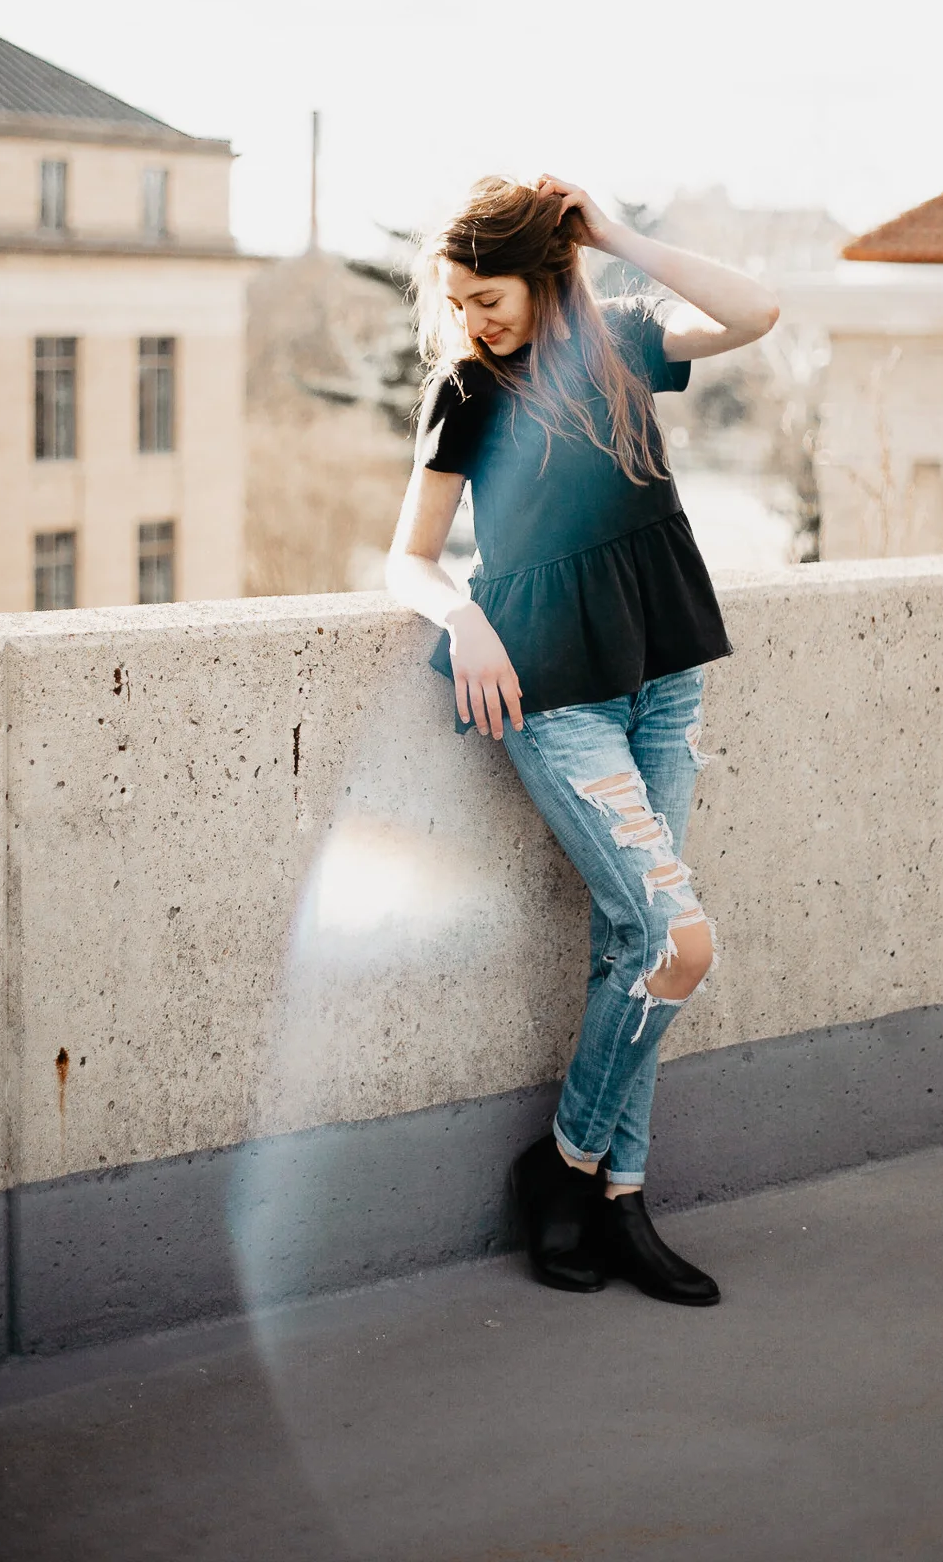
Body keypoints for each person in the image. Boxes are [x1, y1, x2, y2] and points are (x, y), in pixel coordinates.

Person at [385, 174, 779, 1303]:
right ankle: (560, 1162)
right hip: (552, 693)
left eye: (488, 293)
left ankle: (616, 1196)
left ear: (546, 271)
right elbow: (406, 554)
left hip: (662, 682)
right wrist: (460, 614)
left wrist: (616, 235)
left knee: (635, 944)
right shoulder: (466, 389)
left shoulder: (620, 344)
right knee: (678, 943)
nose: (473, 317)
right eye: (456, 300)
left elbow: (756, 312)